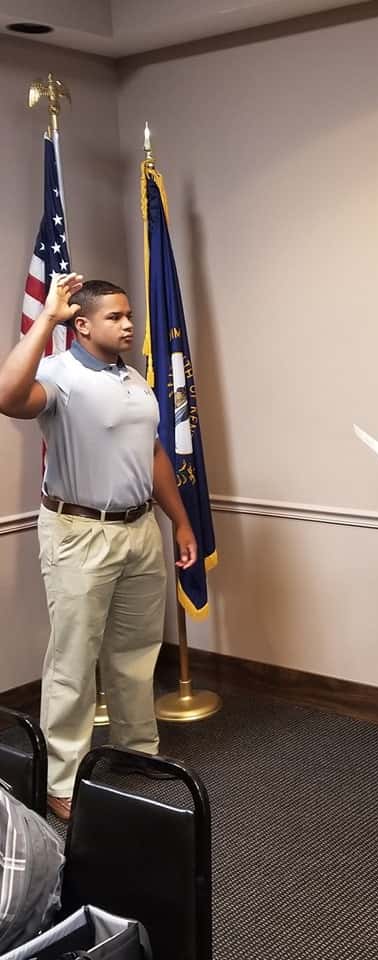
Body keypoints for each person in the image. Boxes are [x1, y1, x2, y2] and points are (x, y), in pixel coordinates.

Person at [0, 274, 198, 821]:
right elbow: (7, 396)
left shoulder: (133, 378)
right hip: (79, 532)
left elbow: (154, 453)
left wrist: (179, 522)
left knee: (135, 653)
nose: (129, 323)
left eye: (130, 314)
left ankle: (136, 751)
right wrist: (46, 318)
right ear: (81, 324)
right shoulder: (59, 375)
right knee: (73, 660)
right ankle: (60, 779)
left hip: (138, 530)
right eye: (115, 317)